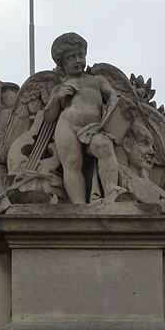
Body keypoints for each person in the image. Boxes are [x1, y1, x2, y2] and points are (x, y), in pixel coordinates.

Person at [44, 33, 123, 204]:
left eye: (81, 55)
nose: (78, 60)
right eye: (72, 57)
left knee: (103, 146)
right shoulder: (59, 88)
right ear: (63, 63)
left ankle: (111, 189)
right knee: (72, 163)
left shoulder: (96, 80)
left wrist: (112, 106)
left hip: (94, 127)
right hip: (67, 126)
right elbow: (49, 117)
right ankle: (79, 206)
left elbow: (114, 97)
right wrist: (58, 97)